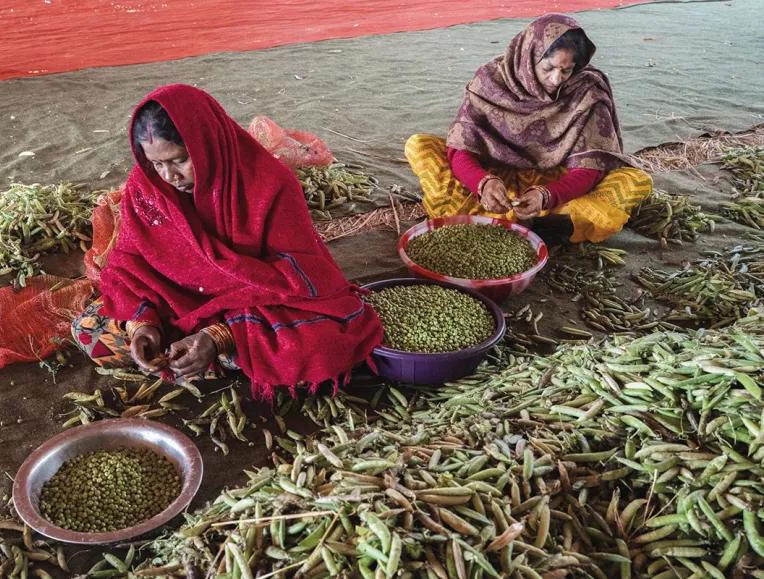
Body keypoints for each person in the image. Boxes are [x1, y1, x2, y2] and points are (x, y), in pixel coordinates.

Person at [72, 84, 383, 399]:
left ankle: (216, 352)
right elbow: (129, 262)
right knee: (88, 330)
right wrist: (142, 326)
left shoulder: (270, 184)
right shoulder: (146, 187)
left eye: (179, 160)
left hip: (253, 305)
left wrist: (219, 335)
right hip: (176, 299)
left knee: (323, 343)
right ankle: (222, 359)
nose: (168, 176)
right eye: (156, 163)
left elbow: (300, 275)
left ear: (206, 144)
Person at [405, 13, 652, 243]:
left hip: (556, 178)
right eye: (548, 68)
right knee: (420, 146)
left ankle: (544, 225)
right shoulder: (491, 81)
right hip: (496, 176)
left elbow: (591, 167)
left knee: (634, 181)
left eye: (566, 70)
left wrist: (546, 195)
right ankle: (536, 224)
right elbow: (462, 149)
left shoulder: (586, 91)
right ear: (528, 57)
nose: (556, 79)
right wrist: (483, 183)